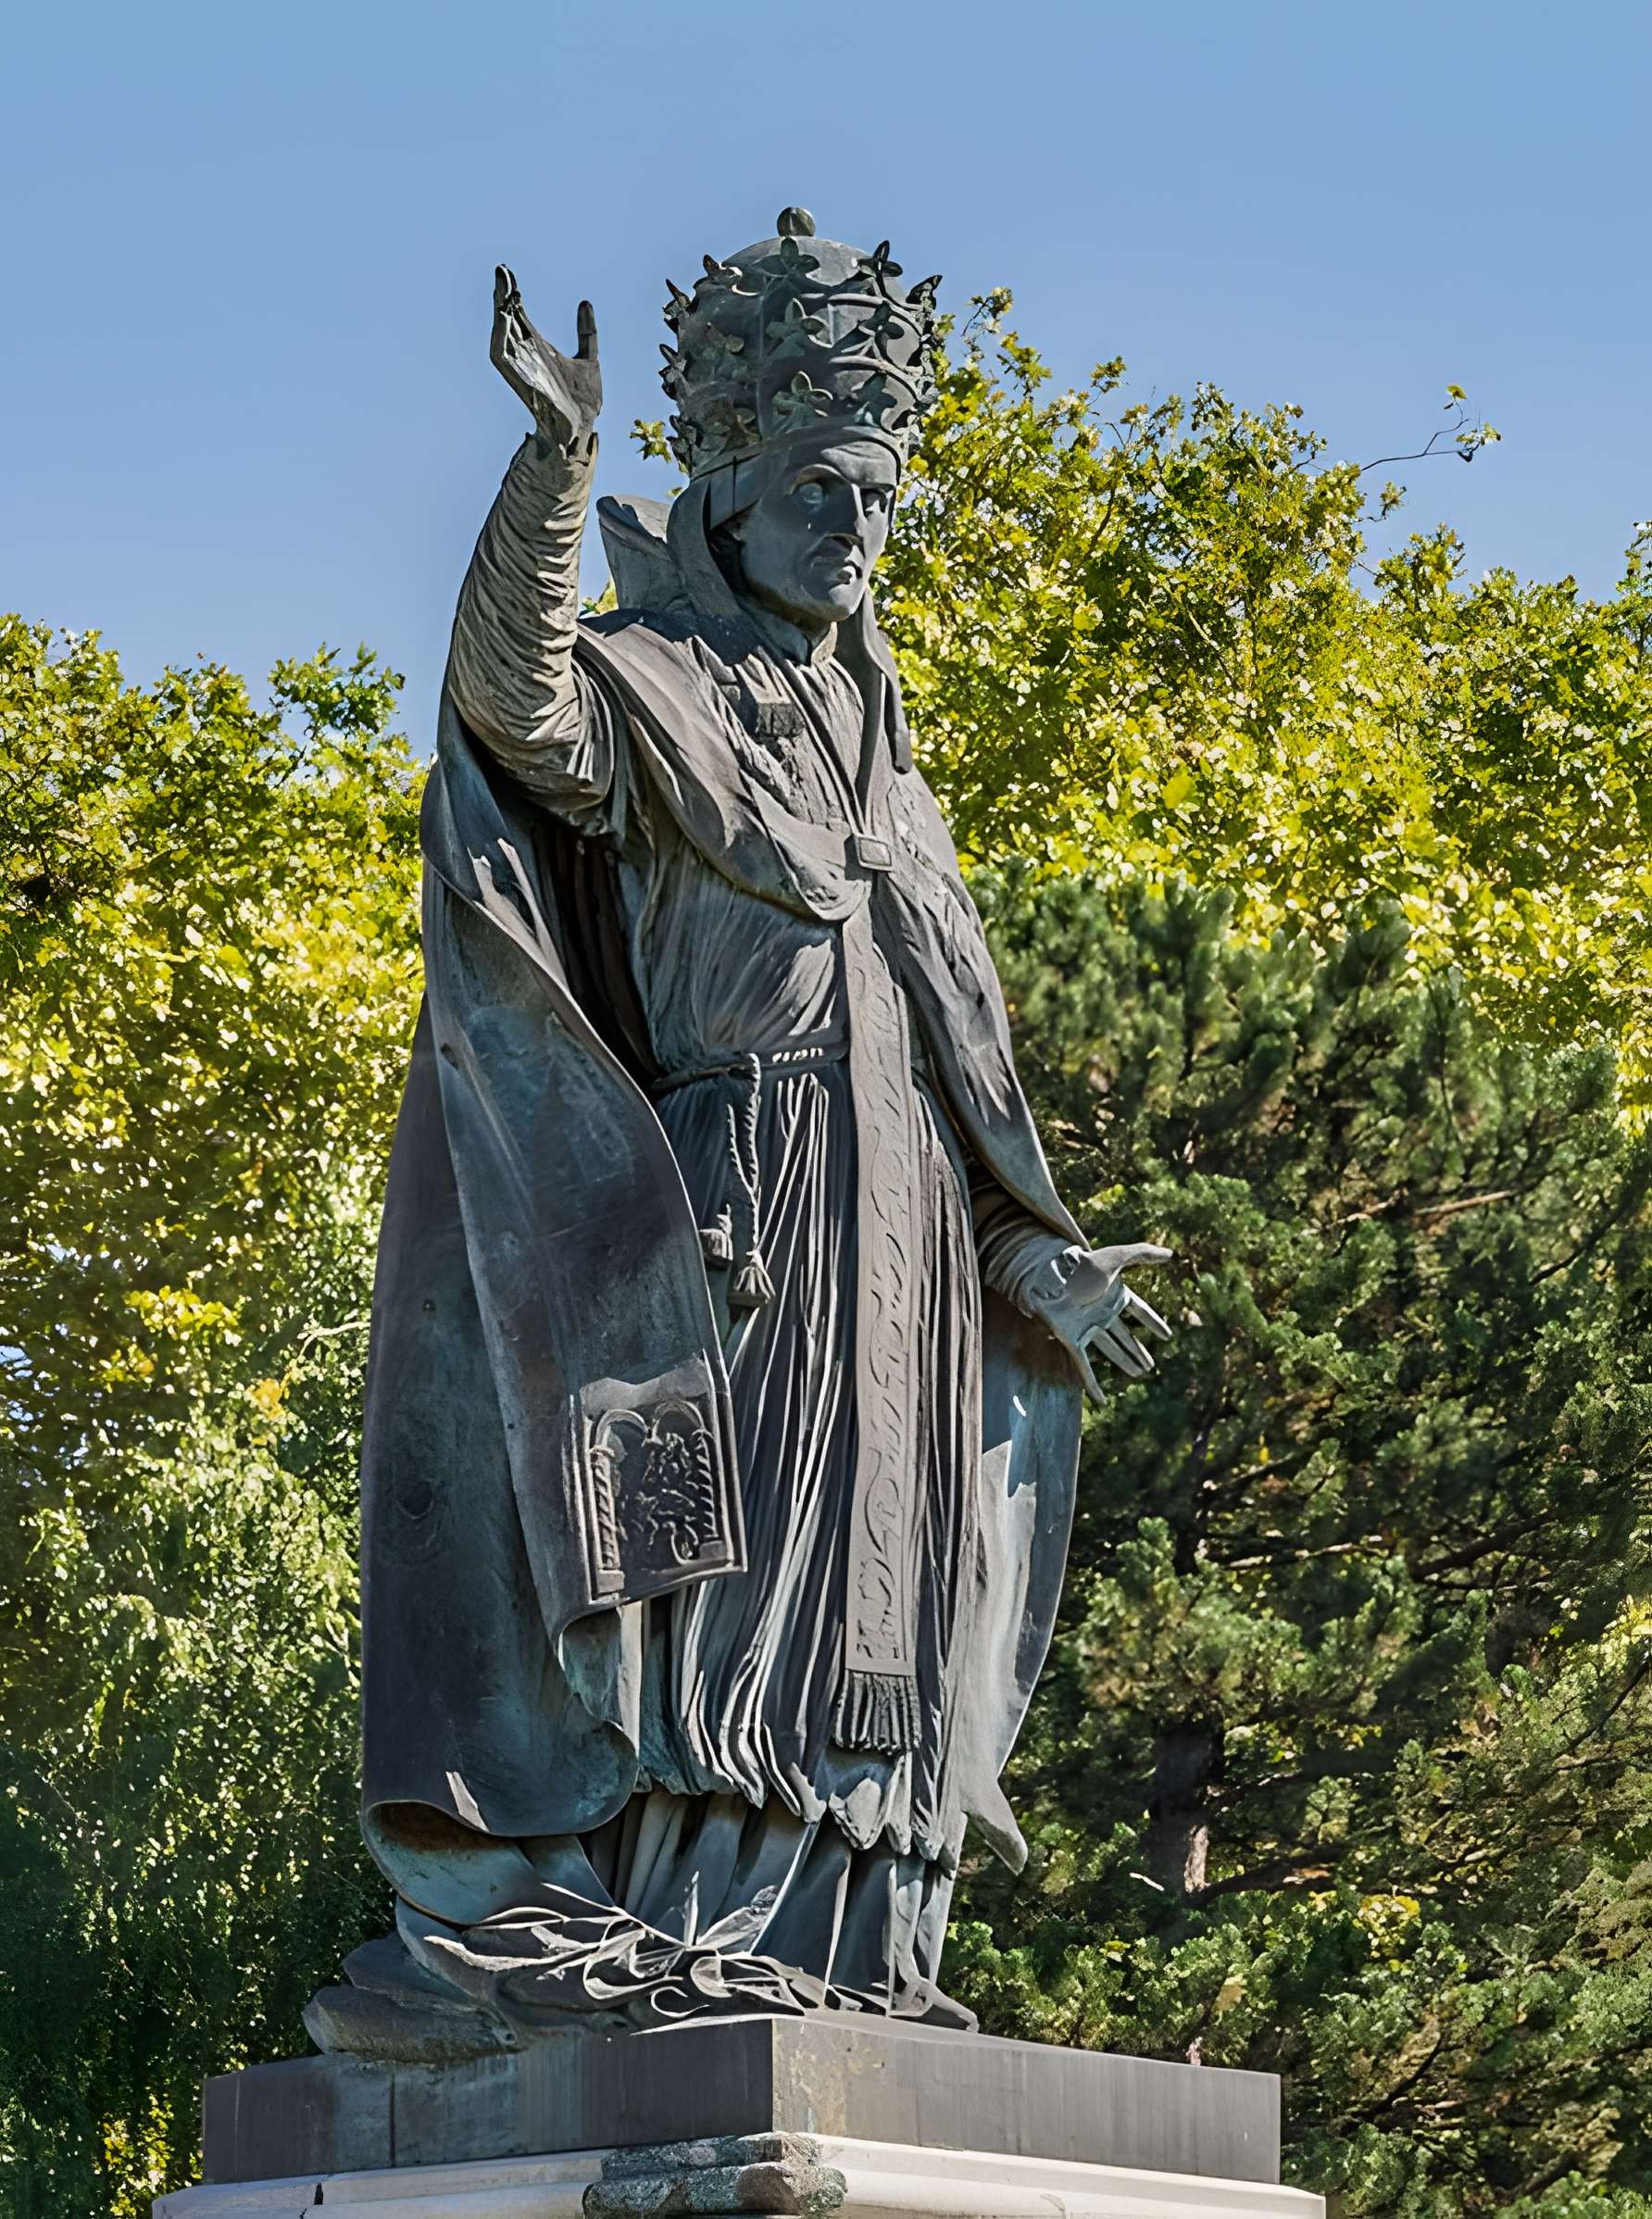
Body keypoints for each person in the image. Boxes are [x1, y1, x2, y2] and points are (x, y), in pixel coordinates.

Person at [307, 209, 1170, 2058]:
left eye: (879, 496)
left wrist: (1031, 1252)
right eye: (817, 488)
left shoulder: (904, 784)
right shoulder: (658, 688)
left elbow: (952, 1061)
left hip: (917, 1255)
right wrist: (551, 473)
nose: (854, 530)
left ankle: (861, 1949)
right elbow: (512, 708)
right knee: (718, 1593)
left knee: (899, 1617)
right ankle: (673, 1933)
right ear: (732, 481)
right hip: (725, 1225)